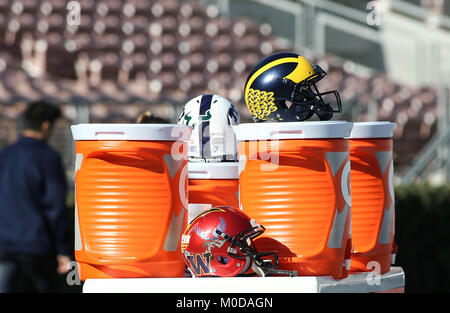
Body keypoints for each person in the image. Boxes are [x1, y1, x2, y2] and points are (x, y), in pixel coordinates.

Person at [0, 101, 71, 293]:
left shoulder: (5, 155)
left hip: (5, 245)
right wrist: (63, 250)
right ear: (46, 126)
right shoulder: (48, 157)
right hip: (37, 246)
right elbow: (55, 207)